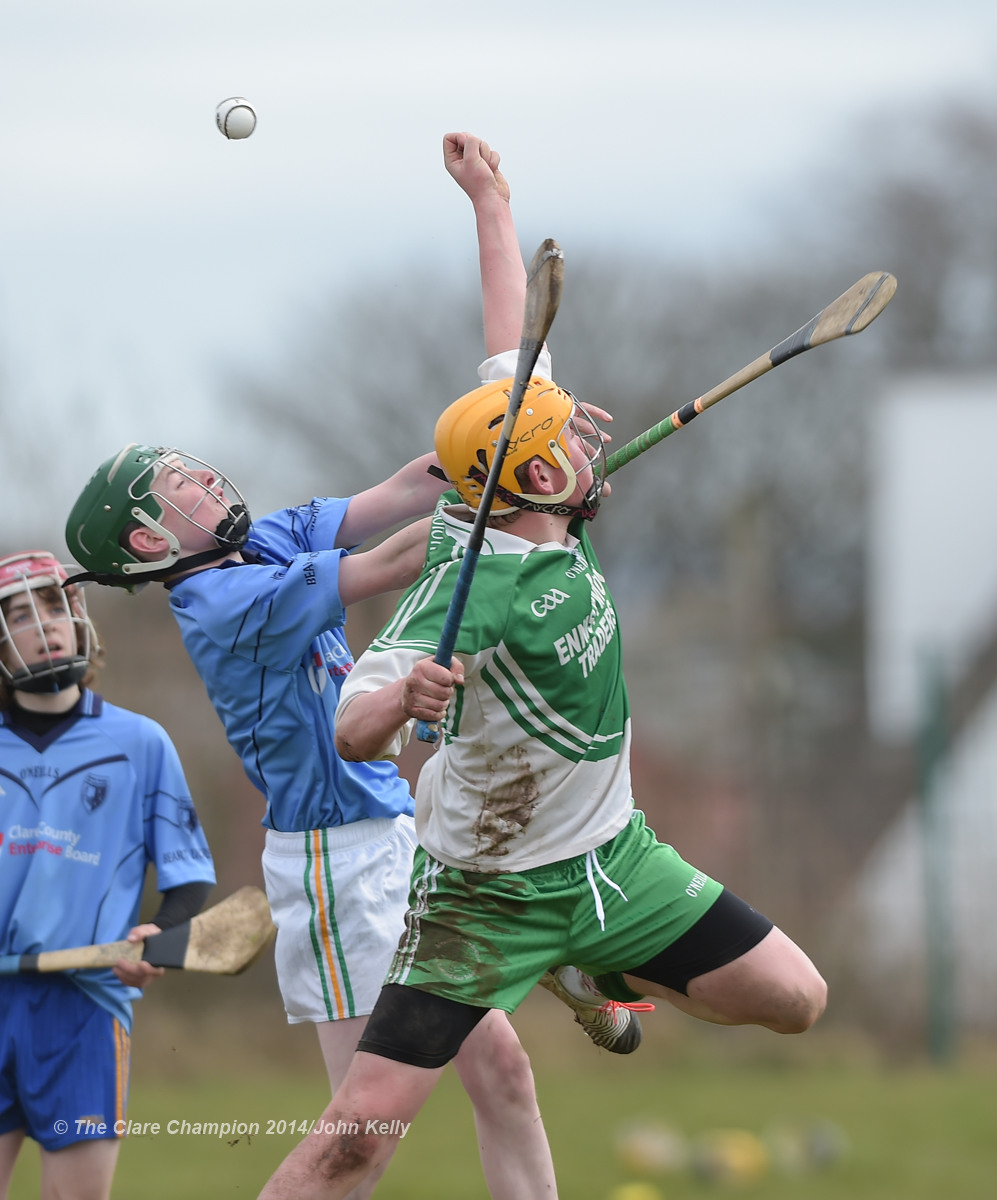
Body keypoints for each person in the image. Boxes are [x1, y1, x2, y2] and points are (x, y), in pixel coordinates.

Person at [62, 134, 654, 1200]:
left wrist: (527, 433)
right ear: (151, 548)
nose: (201, 483)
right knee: (354, 1145)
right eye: (174, 494)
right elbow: (398, 554)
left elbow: (419, 481)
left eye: (190, 472)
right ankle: (565, 942)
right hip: (332, 863)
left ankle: (557, 937)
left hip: (396, 828)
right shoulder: (225, 600)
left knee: (506, 1079)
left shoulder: (264, 541)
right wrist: (524, 497)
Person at [247, 217, 829, 1200]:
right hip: (479, 903)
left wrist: (492, 202)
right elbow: (350, 725)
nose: (583, 439)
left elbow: (514, 355)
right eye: (563, 437)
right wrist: (403, 700)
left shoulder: (553, 503)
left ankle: (589, 971)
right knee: (352, 1145)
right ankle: (559, 965)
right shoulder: (469, 579)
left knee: (795, 1001)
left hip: (613, 858)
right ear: (532, 473)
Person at [0, 550, 216, 1200]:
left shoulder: (140, 742)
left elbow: (187, 879)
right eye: (19, 613)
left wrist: (160, 941)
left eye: (55, 605)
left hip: (86, 1010)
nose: (45, 623)